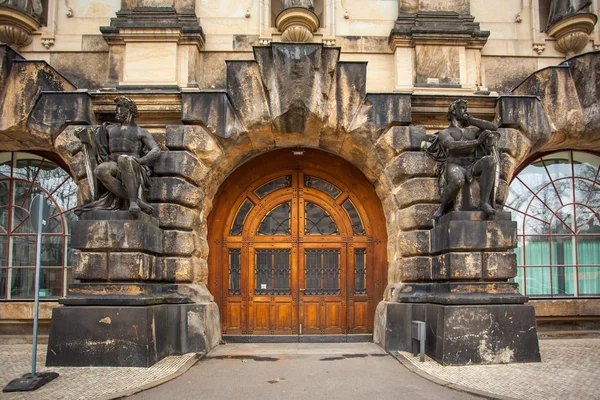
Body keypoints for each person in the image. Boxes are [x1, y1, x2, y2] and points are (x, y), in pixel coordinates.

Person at [76, 96, 160, 216]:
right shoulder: (109, 129)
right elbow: (95, 141)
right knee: (100, 170)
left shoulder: (141, 132)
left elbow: (156, 150)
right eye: (117, 108)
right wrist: (83, 134)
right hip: (113, 163)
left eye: (121, 108)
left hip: (133, 164)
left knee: (124, 159)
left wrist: (141, 161)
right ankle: (136, 201)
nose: (117, 111)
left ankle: (133, 202)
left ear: (130, 111)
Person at [424, 99, 500, 221]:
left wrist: (470, 119)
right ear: (453, 111)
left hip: (472, 164)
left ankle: (484, 202)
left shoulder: (472, 130)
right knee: (458, 180)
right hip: (455, 164)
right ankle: (443, 207)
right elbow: (452, 145)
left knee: (490, 161)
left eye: (466, 108)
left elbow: (493, 127)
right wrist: (477, 141)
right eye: (462, 108)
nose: (465, 111)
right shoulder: (445, 132)